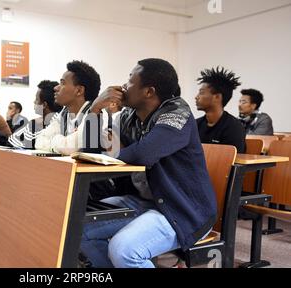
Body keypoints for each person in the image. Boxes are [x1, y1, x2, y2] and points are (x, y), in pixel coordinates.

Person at [80, 58, 217, 268]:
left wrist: (108, 158)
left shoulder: (177, 113)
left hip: (182, 209)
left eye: (130, 81)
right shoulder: (129, 116)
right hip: (143, 202)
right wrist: (95, 110)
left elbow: (144, 153)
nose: (124, 87)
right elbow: (91, 152)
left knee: (123, 250)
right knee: (78, 228)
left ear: (149, 91)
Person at [35, 60, 107, 155]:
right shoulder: (65, 113)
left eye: (62, 83)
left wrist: (56, 139)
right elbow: (39, 141)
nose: (56, 88)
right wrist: (62, 143)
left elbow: (70, 148)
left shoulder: (97, 114)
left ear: (79, 90)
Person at [195, 67, 246, 153]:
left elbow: (233, 162)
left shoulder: (234, 127)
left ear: (217, 97)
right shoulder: (195, 124)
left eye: (202, 92)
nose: (196, 97)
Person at [8, 80, 62, 149]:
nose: (34, 102)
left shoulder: (59, 122)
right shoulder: (35, 123)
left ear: (44, 105)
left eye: (36, 99)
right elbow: (12, 140)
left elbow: (32, 144)